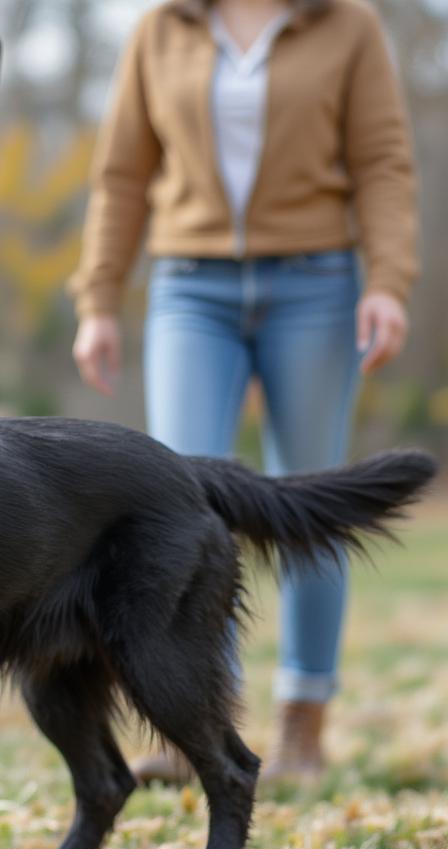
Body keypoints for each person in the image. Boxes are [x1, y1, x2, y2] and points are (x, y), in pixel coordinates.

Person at [69, 0, 417, 784]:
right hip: (191, 287)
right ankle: (196, 716)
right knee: (182, 499)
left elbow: (384, 164)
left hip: (316, 282)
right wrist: (98, 300)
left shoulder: (347, 25)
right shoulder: (164, 27)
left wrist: (388, 282)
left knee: (305, 490)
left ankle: (305, 719)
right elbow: (123, 172)